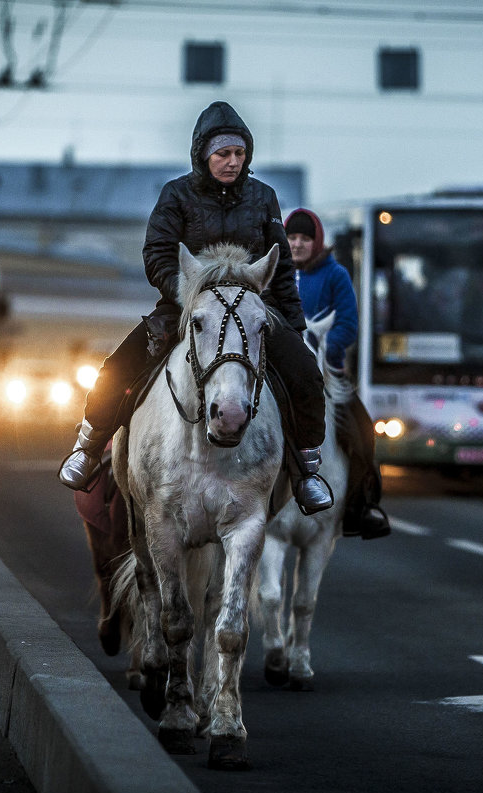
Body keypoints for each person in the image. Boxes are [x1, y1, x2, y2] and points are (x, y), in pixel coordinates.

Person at [59, 100, 333, 515]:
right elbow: (157, 255)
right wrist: (188, 293)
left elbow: (280, 267)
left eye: (239, 154)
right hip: (185, 307)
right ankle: (88, 447)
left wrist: (293, 328)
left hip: (250, 311)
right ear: (204, 154)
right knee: (115, 370)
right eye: (224, 154)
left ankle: (307, 471)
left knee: (307, 375)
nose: (233, 162)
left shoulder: (265, 198)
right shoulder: (176, 194)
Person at [284, 207, 390, 539]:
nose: (298, 244)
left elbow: (348, 324)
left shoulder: (335, 276)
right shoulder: (274, 275)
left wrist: (327, 348)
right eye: (292, 238)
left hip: (326, 374)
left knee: (361, 430)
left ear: (317, 242)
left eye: (305, 238)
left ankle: (362, 505)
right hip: (280, 372)